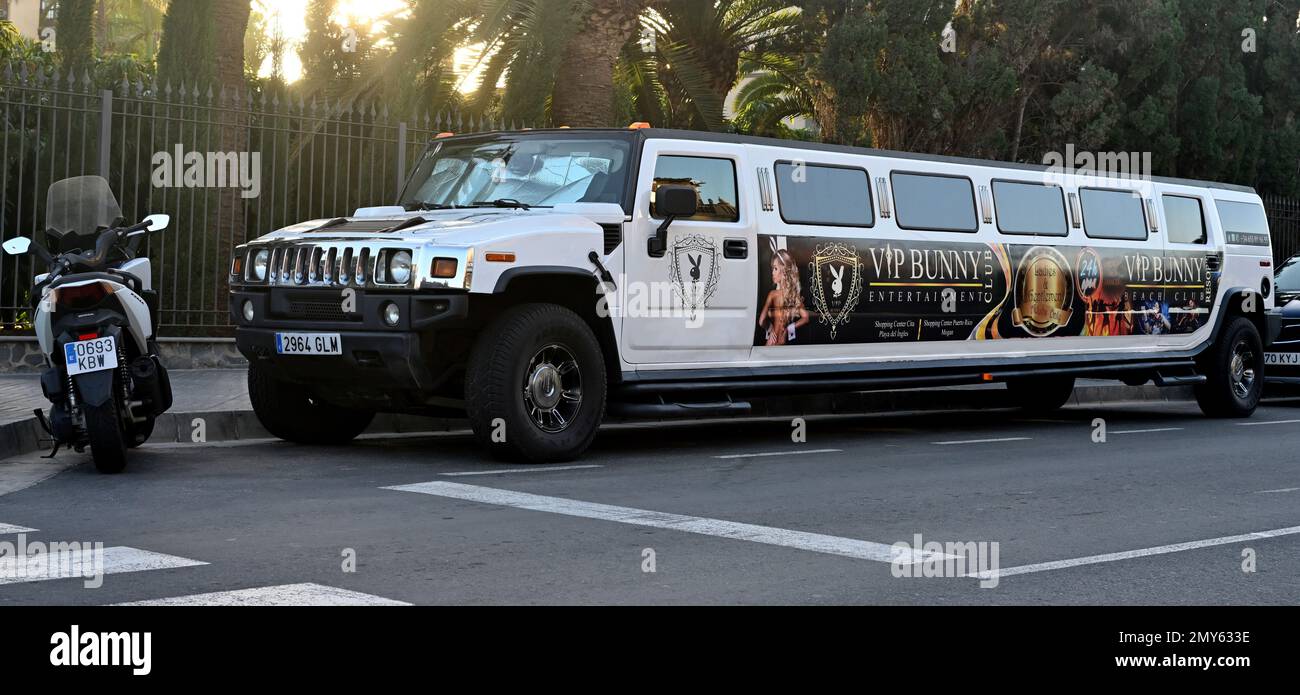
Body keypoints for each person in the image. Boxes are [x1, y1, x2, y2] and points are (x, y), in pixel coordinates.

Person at [758, 249, 809, 346]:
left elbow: (761, 321)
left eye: (775, 268)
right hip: (783, 341)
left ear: (784, 271)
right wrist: (788, 329)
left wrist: (770, 329)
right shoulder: (794, 295)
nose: (772, 272)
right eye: (772, 268)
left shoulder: (772, 294)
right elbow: (806, 318)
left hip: (772, 342)